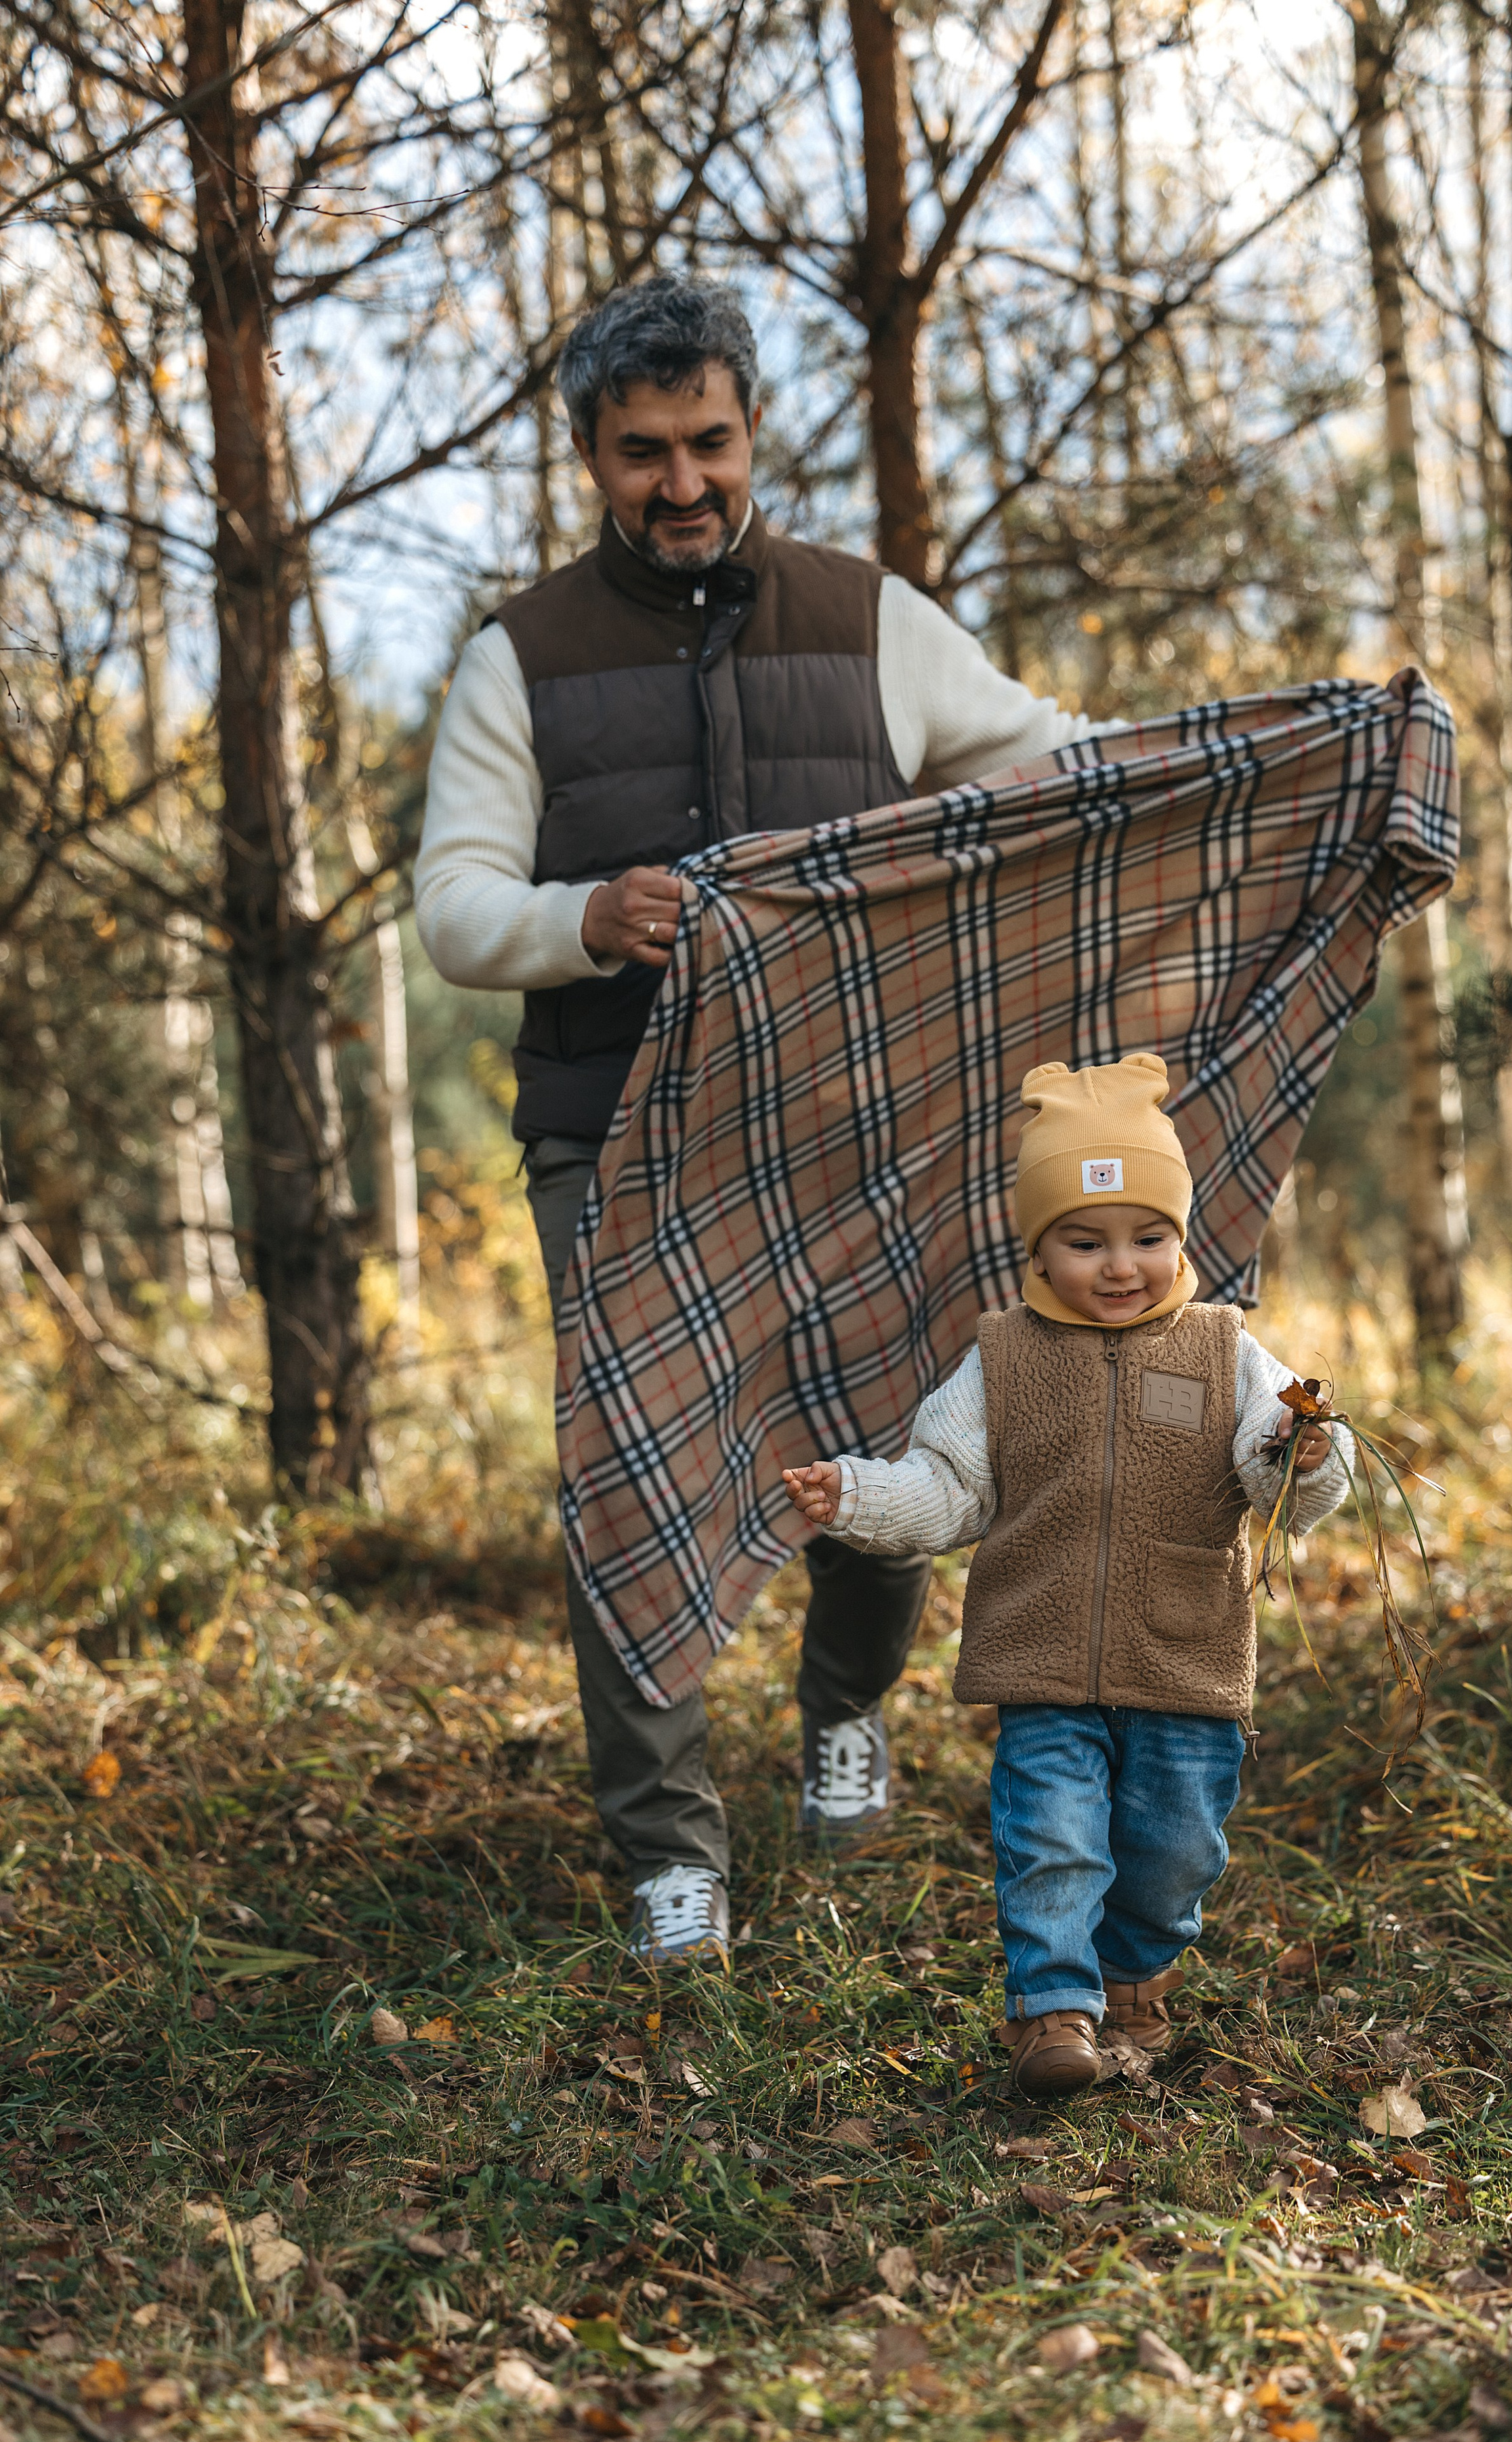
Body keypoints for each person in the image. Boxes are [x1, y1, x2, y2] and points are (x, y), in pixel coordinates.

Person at [414, 276, 1119, 1966]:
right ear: (588, 454)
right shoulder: (519, 663)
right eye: (640, 451)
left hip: (854, 1129)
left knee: (878, 1443)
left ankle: (842, 1711)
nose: (680, 483)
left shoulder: (869, 619)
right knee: (631, 1467)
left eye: (707, 443)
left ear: (751, 434)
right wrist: (582, 921)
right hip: (616, 1138)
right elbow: (452, 908)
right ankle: (667, 1846)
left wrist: (1262, 758)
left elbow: (1053, 760)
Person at [782, 1054, 1350, 2098]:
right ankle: (1053, 2009)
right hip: (1042, 1653)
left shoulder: (1226, 1351)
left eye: (1148, 1236)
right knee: (1052, 1839)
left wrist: (1299, 1454)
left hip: (1184, 1653)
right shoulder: (1001, 1358)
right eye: (1084, 1242)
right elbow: (950, 1489)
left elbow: (1278, 1478)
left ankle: (1133, 1972)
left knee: (1176, 1848)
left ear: (1182, 1236)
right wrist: (857, 1497)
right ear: (1038, 1246)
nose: (1120, 1264)